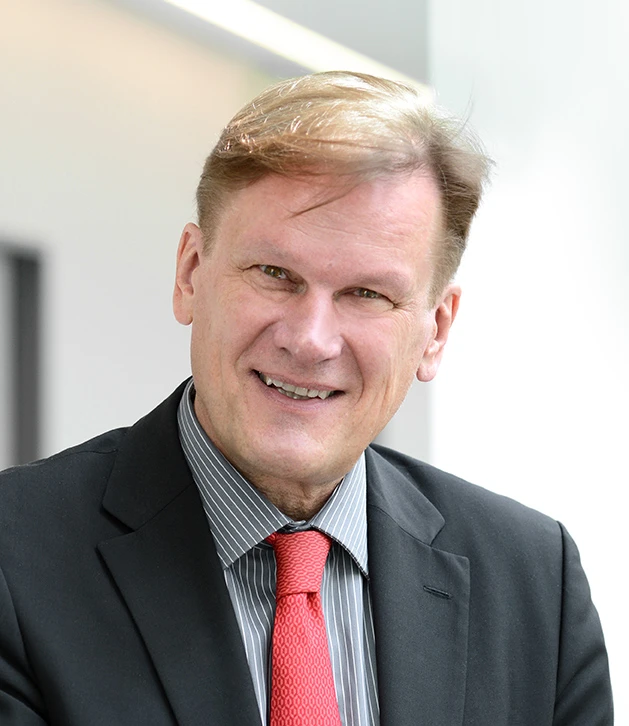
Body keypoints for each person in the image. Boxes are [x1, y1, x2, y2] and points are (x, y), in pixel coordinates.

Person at [0, 71, 612, 726]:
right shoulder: (16, 558)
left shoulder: (533, 582)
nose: (310, 339)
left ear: (435, 330)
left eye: (367, 294)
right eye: (274, 274)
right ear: (190, 273)